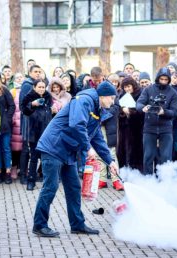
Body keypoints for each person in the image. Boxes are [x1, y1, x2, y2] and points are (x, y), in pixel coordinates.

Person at [33, 81, 119, 237]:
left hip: (68, 151)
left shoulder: (97, 108)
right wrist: (87, 148)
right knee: (50, 187)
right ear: (103, 96)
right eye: (111, 98)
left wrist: (110, 160)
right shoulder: (84, 100)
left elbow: (97, 137)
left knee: (74, 188)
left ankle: (77, 224)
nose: (112, 102)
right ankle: (39, 225)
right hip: (54, 146)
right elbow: (76, 124)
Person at [136, 67, 177, 175]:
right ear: (158, 78)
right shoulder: (148, 89)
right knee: (148, 156)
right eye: (162, 79)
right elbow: (138, 103)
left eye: (166, 79)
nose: (164, 81)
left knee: (165, 157)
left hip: (166, 128)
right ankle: (148, 181)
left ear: (169, 80)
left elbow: (175, 111)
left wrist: (163, 112)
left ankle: (164, 181)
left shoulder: (173, 92)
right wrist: (143, 108)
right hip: (149, 127)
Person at [21, 80, 53, 190]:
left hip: (46, 133)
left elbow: (50, 112)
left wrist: (52, 110)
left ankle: (47, 181)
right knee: (34, 158)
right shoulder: (28, 97)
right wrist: (32, 104)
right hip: (33, 132)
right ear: (34, 87)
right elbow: (24, 110)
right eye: (39, 87)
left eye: (43, 87)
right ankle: (31, 181)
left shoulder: (48, 97)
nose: (41, 89)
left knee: (46, 158)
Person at [117, 77, 144, 172]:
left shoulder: (140, 93)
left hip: (137, 127)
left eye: (129, 86)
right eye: (125, 87)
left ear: (133, 85)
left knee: (136, 150)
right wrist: (122, 110)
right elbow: (117, 107)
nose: (127, 89)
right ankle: (123, 171)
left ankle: (137, 171)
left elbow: (142, 110)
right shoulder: (122, 95)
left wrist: (131, 111)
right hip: (124, 127)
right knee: (123, 150)